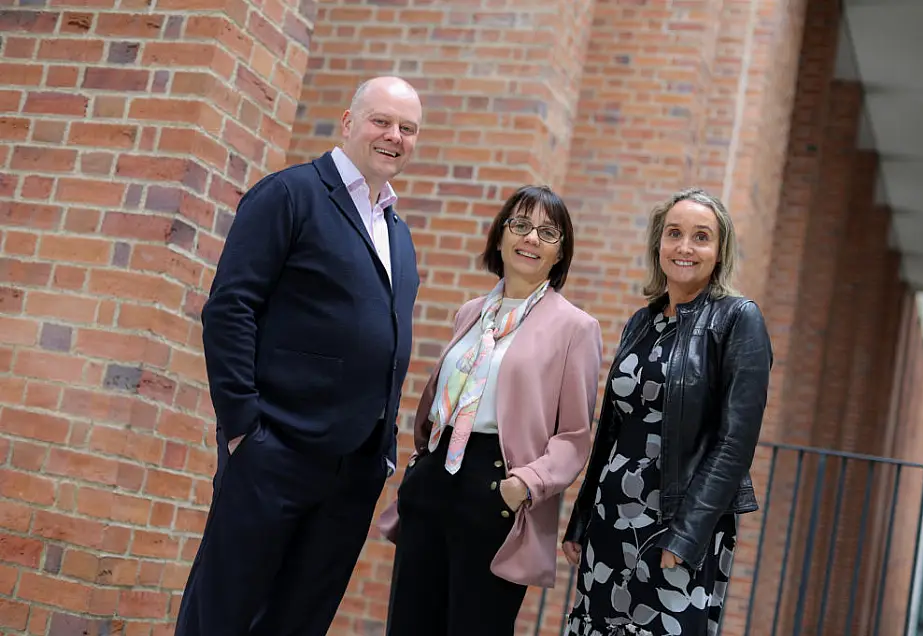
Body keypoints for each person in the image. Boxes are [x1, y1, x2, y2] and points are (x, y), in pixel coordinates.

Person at [174, 76, 423, 636]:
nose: (394, 136)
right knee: (224, 614)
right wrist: (244, 428)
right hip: (274, 453)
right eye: (381, 121)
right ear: (348, 121)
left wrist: (380, 453)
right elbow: (230, 309)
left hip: (353, 472)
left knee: (297, 624)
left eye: (408, 128)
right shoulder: (290, 194)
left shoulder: (396, 231)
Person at [377, 185, 603, 636]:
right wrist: (421, 466)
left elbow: (574, 436)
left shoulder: (575, 328)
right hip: (434, 482)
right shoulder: (472, 313)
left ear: (561, 253)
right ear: (500, 237)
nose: (531, 238)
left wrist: (523, 485)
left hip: (497, 492)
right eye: (520, 225)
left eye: (547, 232)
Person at [562, 187, 773, 636]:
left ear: (719, 252)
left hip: (674, 528)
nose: (685, 247)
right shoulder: (642, 322)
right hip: (611, 516)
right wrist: (582, 517)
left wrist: (686, 535)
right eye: (674, 233)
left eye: (701, 237)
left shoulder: (738, 320)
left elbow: (735, 443)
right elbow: (612, 429)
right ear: (658, 243)